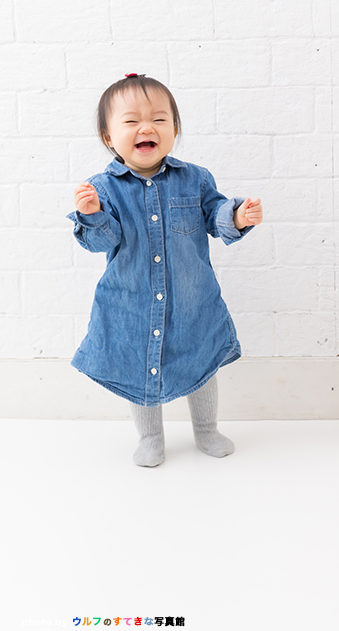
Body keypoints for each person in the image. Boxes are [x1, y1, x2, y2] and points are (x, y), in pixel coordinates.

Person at [67, 73, 263, 467]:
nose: (147, 128)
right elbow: (102, 242)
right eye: (131, 121)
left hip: (192, 302)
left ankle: (206, 429)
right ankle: (150, 437)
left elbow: (214, 214)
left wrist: (237, 217)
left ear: (174, 129)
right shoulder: (102, 188)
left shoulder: (195, 178)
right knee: (139, 370)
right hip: (132, 303)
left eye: (159, 119)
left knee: (201, 363)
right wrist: (92, 215)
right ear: (109, 137)